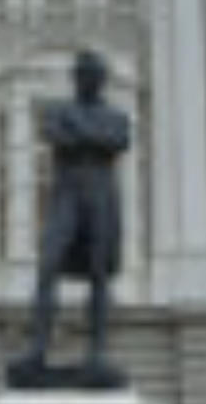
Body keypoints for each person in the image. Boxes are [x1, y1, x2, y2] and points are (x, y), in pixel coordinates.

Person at [16, 50, 132, 386]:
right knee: (48, 265)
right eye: (83, 74)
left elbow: (119, 140)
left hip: (101, 197)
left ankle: (97, 351)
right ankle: (37, 347)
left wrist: (80, 133)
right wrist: (92, 138)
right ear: (77, 79)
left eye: (94, 74)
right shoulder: (59, 111)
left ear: (101, 79)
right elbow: (56, 135)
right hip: (66, 196)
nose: (88, 79)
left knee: (99, 274)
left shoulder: (115, 115)